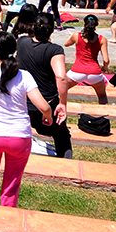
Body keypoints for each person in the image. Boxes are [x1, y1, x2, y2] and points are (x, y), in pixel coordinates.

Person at [0, 33, 52, 207]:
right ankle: (8, 217)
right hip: (19, 136)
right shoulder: (24, 76)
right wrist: (48, 117)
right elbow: (44, 107)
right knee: (12, 185)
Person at [17, 15, 72, 159]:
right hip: (46, 103)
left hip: (24, 102)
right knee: (62, 135)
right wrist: (63, 103)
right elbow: (61, 77)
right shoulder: (54, 50)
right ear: (51, 30)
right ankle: (66, 167)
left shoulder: (21, 42)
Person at [63, 15, 110, 104]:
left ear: (84, 24)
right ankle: (103, 116)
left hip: (76, 71)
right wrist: (105, 67)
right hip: (94, 73)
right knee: (102, 96)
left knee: (60, 90)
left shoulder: (76, 36)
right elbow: (106, 60)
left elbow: (66, 44)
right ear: (96, 25)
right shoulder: (101, 39)